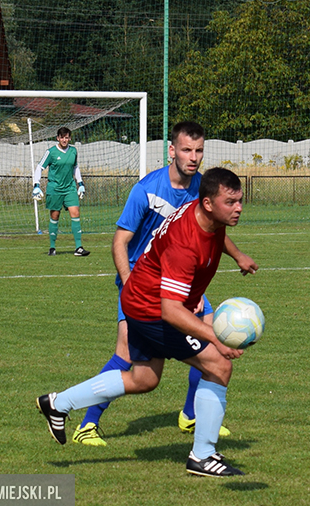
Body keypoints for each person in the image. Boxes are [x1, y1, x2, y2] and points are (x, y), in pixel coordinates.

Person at [37, 167, 250, 477]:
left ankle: (59, 403)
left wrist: (238, 255)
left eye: (240, 200)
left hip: (138, 299)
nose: (238, 208)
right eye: (230, 202)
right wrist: (215, 336)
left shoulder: (203, 213)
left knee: (143, 379)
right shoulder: (185, 244)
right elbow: (171, 312)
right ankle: (203, 455)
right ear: (207, 203)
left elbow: (217, 232)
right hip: (151, 310)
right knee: (219, 365)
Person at [72, 122, 257, 447]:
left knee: (212, 341)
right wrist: (128, 283)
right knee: (126, 354)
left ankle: (192, 415)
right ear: (172, 150)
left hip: (180, 280)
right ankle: (87, 423)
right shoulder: (147, 189)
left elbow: (213, 228)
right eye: (186, 150)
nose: (193, 157)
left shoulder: (203, 186)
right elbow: (120, 241)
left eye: (199, 151)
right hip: (141, 281)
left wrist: (238, 255)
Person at [32, 126, 90, 257]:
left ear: (69, 138)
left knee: (75, 213)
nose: (64, 140)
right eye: (62, 137)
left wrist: (80, 184)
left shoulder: (73, 151)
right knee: (55, 216)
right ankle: (52, 247)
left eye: (67, 137)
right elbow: (39, 167)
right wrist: (36, 185)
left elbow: (75, 167)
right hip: (55, 189)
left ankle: (79, 247)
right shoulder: (51, 152)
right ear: (58, 138)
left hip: (70, 188)